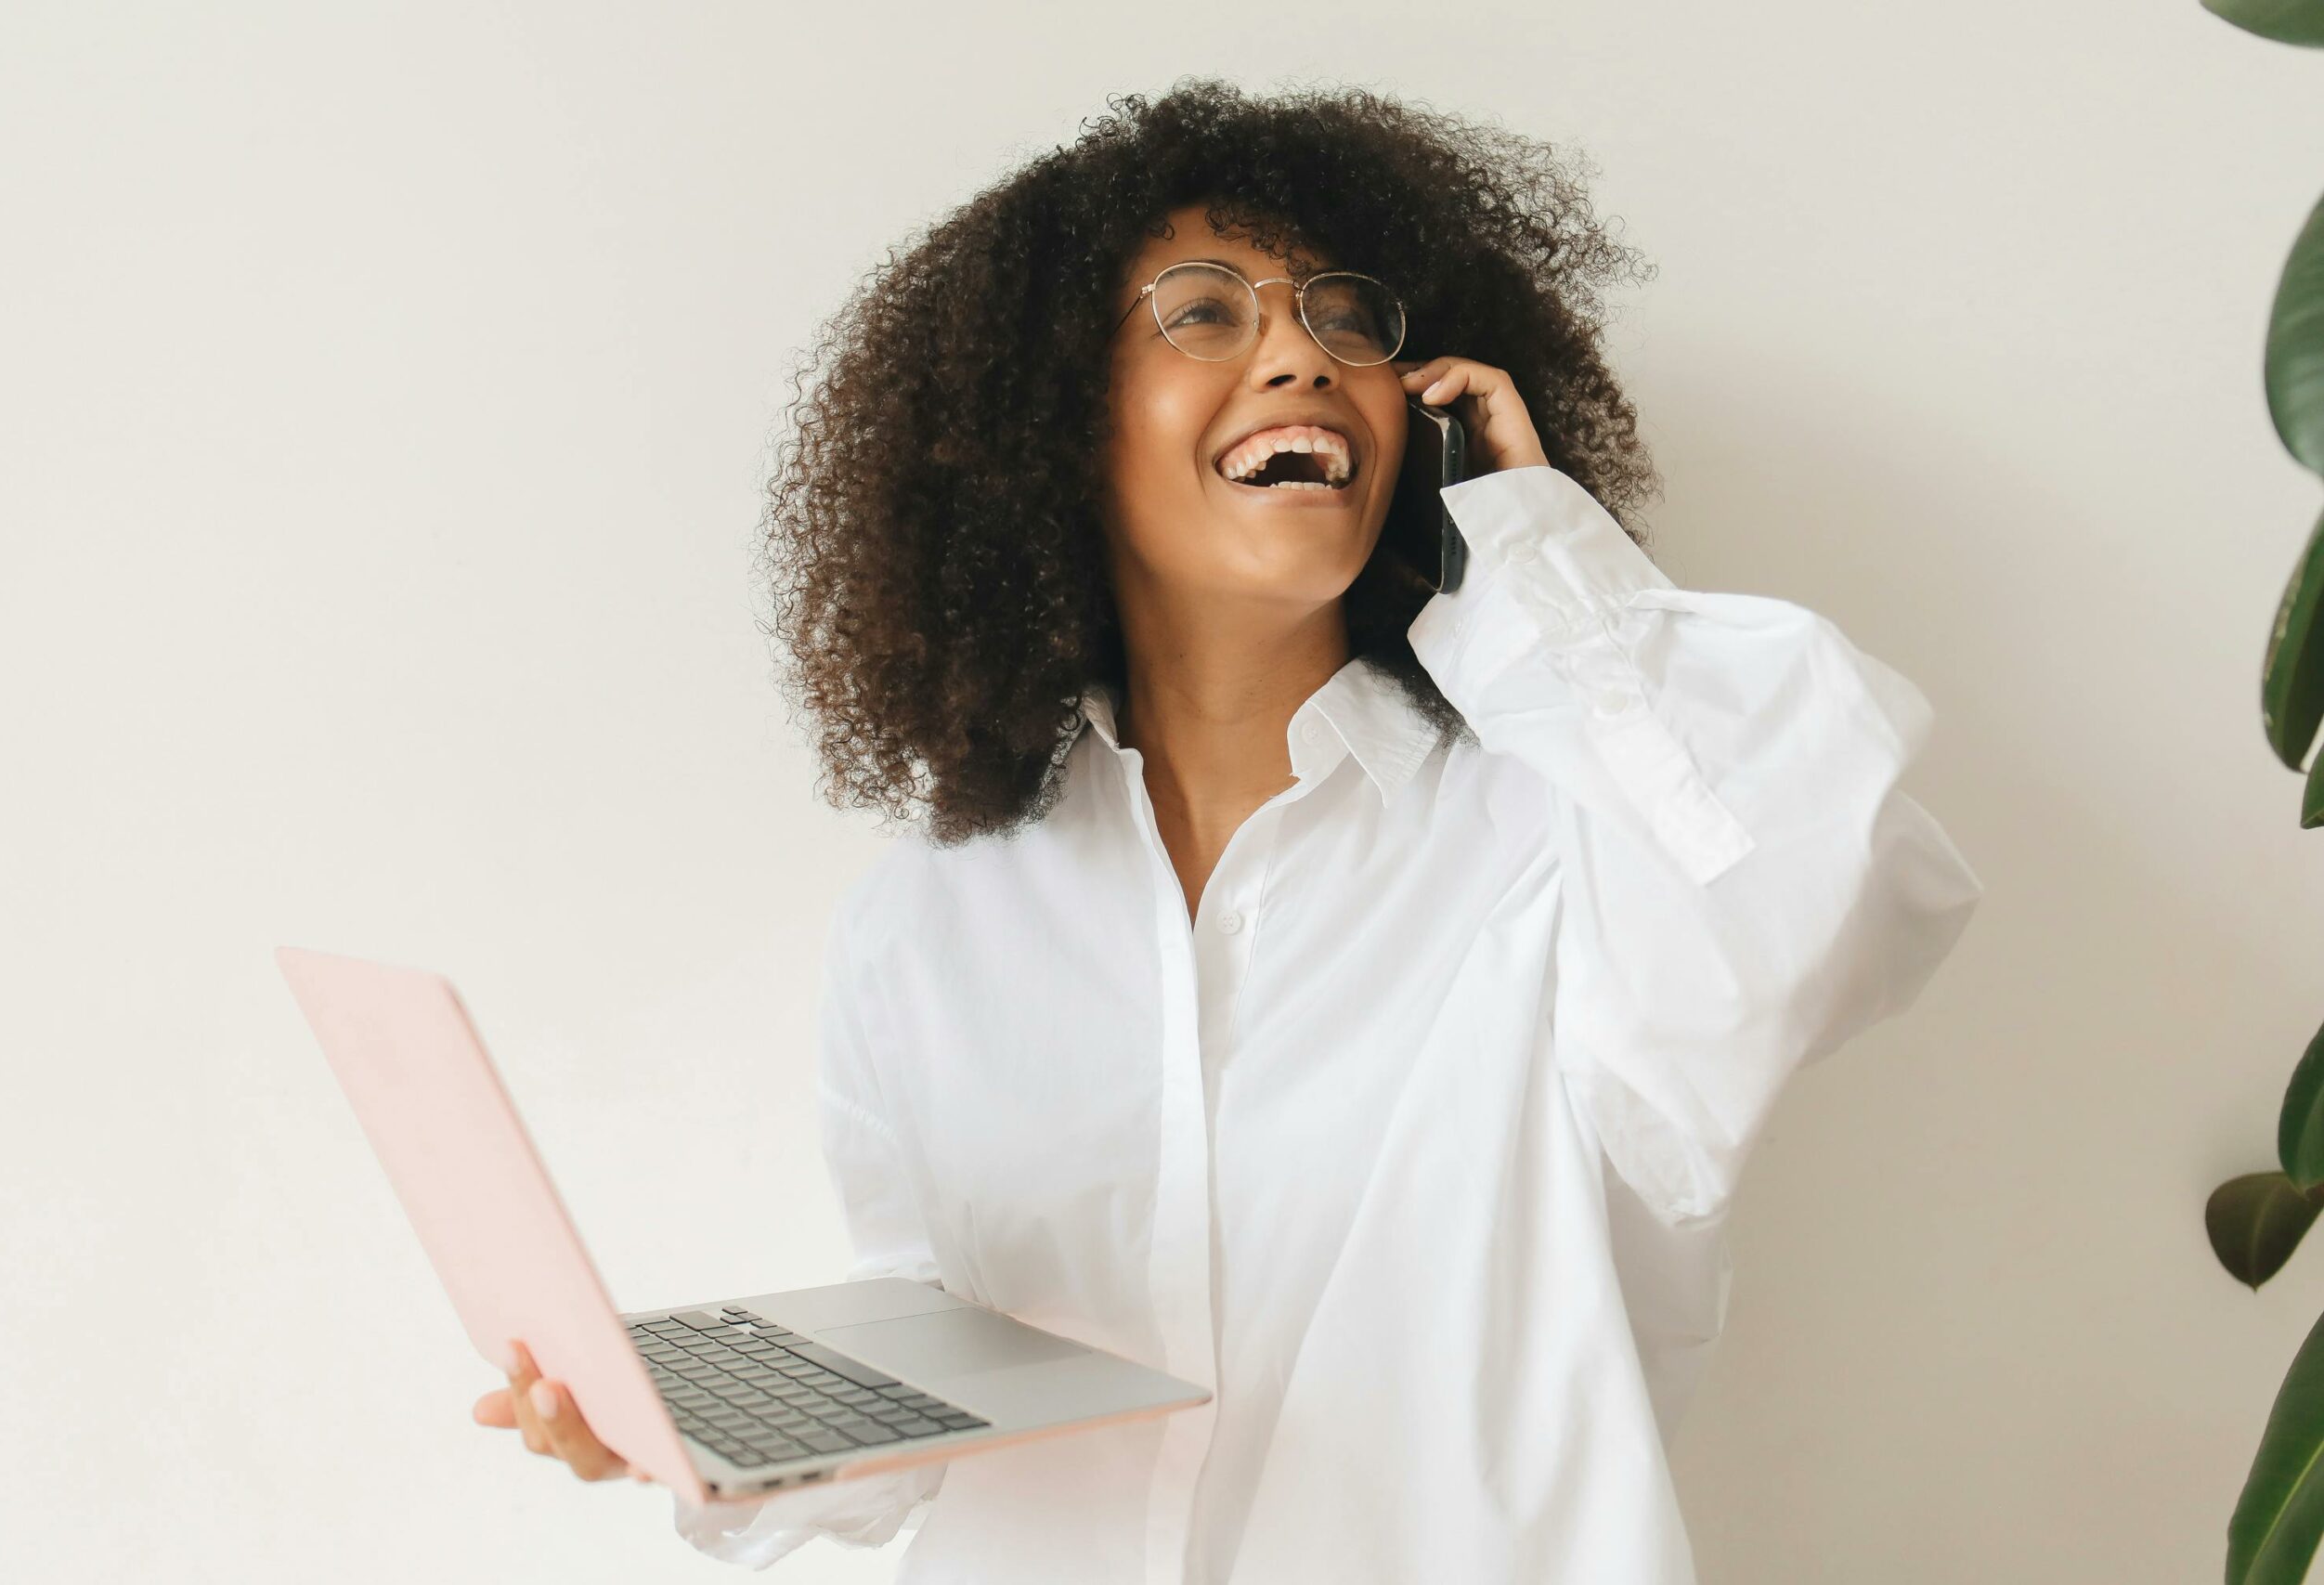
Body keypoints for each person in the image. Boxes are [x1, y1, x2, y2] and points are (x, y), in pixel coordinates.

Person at [471, 78, 1983, 1581]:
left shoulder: (1564, 839)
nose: (1300, 359)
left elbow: (1825, 894)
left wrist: (1534, 554)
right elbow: (951, 1356)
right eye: (1204, 314)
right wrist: (684, 1432)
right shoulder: (929, 923)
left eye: (1346, 318)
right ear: (1052, 430)